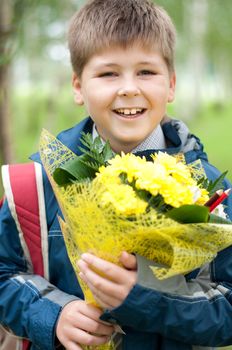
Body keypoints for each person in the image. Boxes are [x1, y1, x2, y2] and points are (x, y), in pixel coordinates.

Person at [1, 0, 232, 349]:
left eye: (146, 72)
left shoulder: (210, 195)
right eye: (109, 73)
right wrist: (52, 315)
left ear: (171, 84)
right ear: (78, 86)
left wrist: (140, 296)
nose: (128, 88)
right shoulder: (36, 184)